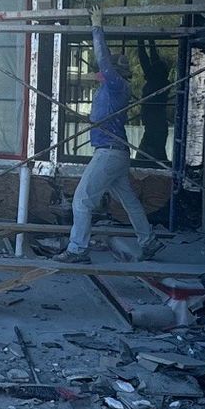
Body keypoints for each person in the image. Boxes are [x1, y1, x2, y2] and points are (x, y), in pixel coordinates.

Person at [57, 24, 156, 264]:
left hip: (109, 153)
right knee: (129, 201)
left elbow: (103, 62)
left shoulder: (117, 85)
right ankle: (149, 241)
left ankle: (77, 250)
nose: (99, 73)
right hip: (116, 152)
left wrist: (96, 30)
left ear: (114, 72)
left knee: (81, 201)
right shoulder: (110, 88)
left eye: (106, 70)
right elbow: (103, 64)